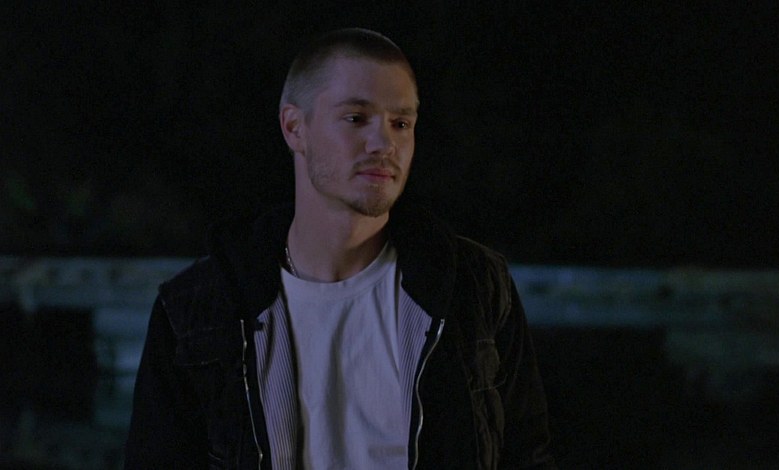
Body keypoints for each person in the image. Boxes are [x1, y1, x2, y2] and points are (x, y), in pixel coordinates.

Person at [125, 27, 555, 469]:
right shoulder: (197, 309)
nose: (384, 144)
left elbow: (528, 456)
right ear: (295, 128)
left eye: (401, 123)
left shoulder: (474, 287)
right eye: (356, 118)